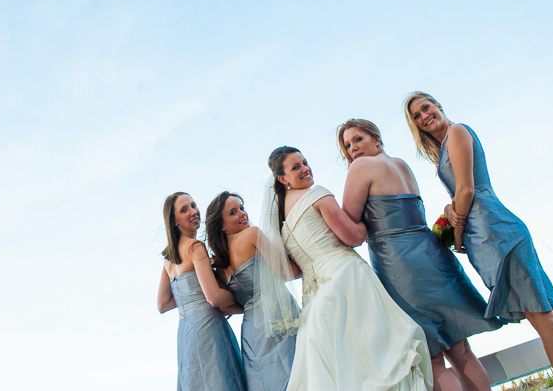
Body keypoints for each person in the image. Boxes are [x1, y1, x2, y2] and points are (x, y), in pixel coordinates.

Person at [405, 92, 553, 391]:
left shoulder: (456, 130)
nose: (423, 116)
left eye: (425, 108)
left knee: (544, 318)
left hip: (495, 233)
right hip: (495, 229)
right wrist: (449, 209)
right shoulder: (447, 144)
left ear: (438, 105)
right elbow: (462, 193)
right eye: (416, 116)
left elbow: (467, 192)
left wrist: (457, 234)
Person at [337, 118, 501, 391]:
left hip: (399, 265)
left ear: (377, 140)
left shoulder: (362, 167)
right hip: (433, 255)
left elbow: (349, 224)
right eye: (348, 145)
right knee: (461, 351)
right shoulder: (402, 165)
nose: (353, 148)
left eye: (358, 140)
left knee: (431, 358)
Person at [265, 146, 433, 391]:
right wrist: (369, 220)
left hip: (316, 301)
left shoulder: (282, 223)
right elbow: (352, 237)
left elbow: (294, 270)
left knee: (345, 371)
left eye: (305, 162)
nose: (305, 169)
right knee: (377, 358)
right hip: (347, 279)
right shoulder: (316, 195)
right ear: (283, 179)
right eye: (296, 167)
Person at [205, 191, 298, 391]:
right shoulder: (252, 234)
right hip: (278, 315)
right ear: (221, 225)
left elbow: (225, 308)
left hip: (251, 330)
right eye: (233, 212)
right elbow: (287, 273)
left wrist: (250, 306)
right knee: (295, 373)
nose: (242, 214)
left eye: (242, 208)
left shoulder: (220, 266)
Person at [157, 192, 247, 391]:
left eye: (193, 205)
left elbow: (163, 304)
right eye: (184, 209)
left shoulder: (168, 260)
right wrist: (238, 296)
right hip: (209, 331)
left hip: (187, 336)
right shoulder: (195, 247)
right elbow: (214, 297)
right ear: (174, 222)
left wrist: (192, 299)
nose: (193, 211)